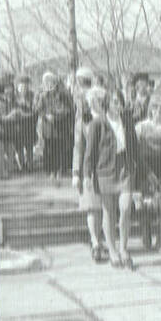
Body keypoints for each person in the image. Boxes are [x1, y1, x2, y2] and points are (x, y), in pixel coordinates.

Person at [84, 88, 139, 269]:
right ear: (107, 103)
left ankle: (124, 249)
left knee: (125, 208)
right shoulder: (97, 124)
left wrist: (145, 171)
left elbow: (135, 149)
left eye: (120, 101)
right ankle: (113, 252)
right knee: (108, 212)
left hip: (124, 168)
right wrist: (86, 175)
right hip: (105, 171)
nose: (118, 105)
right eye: (114, 101)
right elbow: (90, 152)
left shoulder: (128, 122)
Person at [71, 70, 106, 262]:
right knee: (93, 207)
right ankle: (95, 243)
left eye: (101, 100)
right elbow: (78, 147)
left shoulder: (110, 119)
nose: (98, 103)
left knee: (104, 208)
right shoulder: (83, 121)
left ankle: (102, 239)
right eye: (95, 100)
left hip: (108, 168)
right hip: (89, 169)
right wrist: (76, 172)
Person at [135, 94, 161, 252]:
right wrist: (146, 172)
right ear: (150, 109)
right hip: (145, 170)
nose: (159, 111)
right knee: (146, 205)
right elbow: (135, 152)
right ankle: (146, 236)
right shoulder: (140, 127)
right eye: (155, 108)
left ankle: (160, 241)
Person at [36, 71, 74, 181]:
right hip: (48, 128)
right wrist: (46, 115)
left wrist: (58, 116)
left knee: (59, 149)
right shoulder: (43, 95)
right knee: (49, 149)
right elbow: (38, 109)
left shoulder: (62, 94)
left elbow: (69, 109)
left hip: (60, 127)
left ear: (55, 82)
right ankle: (51, 171)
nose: (49, 84)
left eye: (51, 81)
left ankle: (59, 171)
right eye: (46, 82)